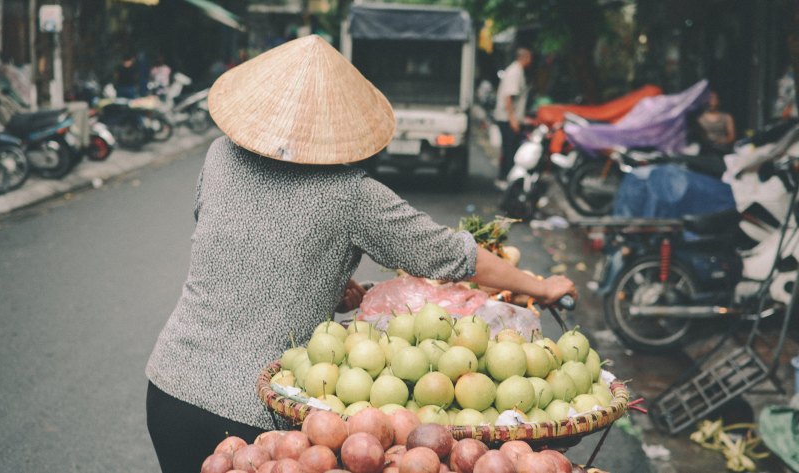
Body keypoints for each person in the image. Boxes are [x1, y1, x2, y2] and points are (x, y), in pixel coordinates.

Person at [144, 35, 576, 473]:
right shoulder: (350, 194)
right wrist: (541, 287)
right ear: (338, 126)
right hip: (255, 414)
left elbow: (231, 251)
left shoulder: (219, 157)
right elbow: (450, 255)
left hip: (169, 387)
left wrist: (323, 285)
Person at [493, 47, 533, 190]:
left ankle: (505, 178)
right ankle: (505, 179)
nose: (531, 61)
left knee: (509, 149)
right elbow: (508, 97)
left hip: (509, 117)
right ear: (525, 58)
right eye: (530, 58)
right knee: (510, 150)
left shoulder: (516, 70)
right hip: (506, 118)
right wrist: (513, 119)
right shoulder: (515, 71)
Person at [697, 90, 736, 155]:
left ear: (718, 100)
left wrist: (721, 141)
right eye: (708, 98)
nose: (710, 101)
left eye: (713, 98)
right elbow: (698, 136)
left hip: (722, 149)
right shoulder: (700, 118)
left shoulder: (727, 117)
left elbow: (732, 136)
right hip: (705, 150)